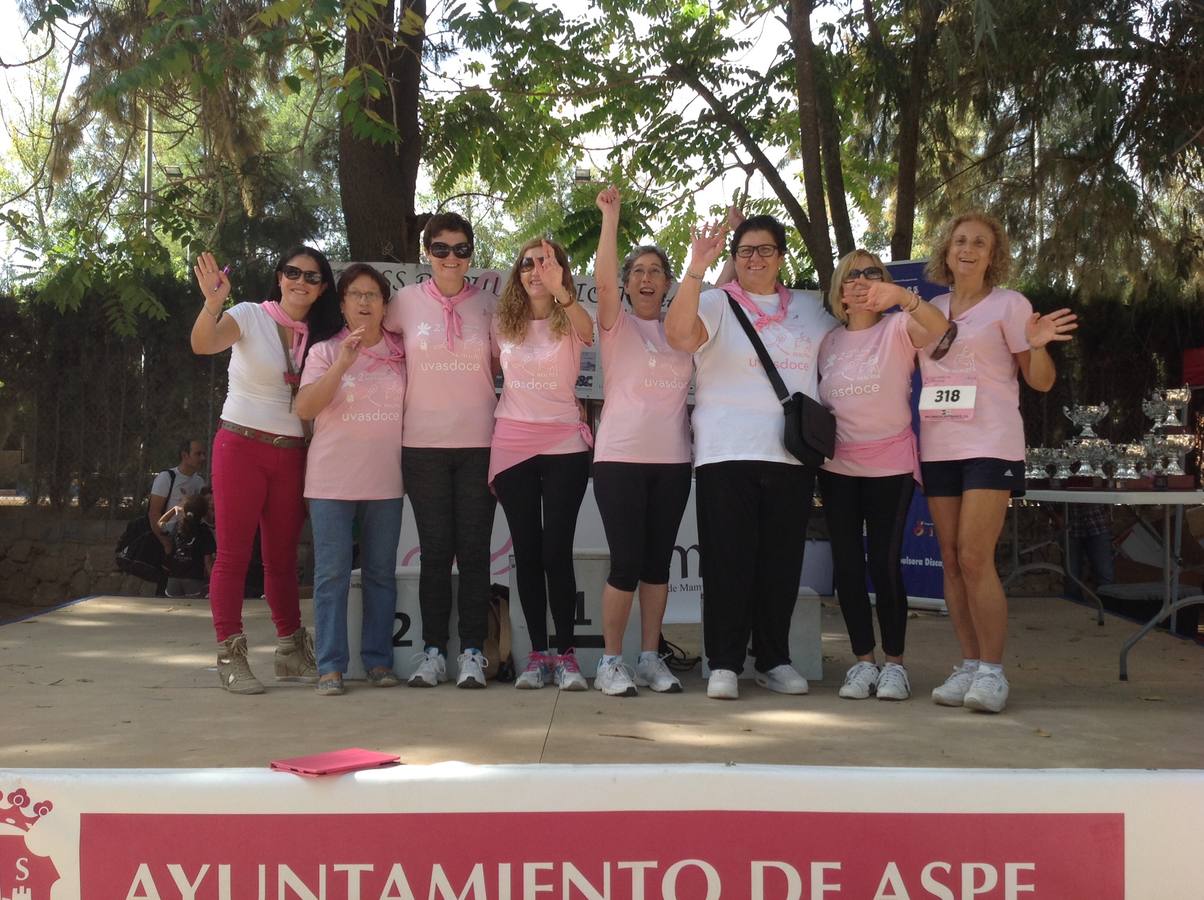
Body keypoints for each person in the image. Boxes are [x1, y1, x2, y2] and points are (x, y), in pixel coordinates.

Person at [665, 214, 837, 700]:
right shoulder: (716, 303)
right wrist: (696, 268)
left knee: (780, 564)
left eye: (765, 250)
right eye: (745, 251)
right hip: (726, 451)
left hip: (791, 454)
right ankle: (723, 660)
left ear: (781, 257)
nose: (755, 259)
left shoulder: (810, 310)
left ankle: (773, 659)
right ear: (734, 258)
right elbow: (679, 336)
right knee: (726, 561)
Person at [920, 212, 1077, 713]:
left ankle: (992, 672)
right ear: (946, 251)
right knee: (948, 558)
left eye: (979, 243)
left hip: (990, 442)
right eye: (960, 240)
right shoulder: (931, 308)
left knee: (972, 556)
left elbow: (1042, 382)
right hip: (938, 444)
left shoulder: (1010, 306)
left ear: (993, 254)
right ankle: (968, 665)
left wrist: (1036, 348)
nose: (967, 249)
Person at [190, 246, 342, 695]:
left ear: (323, 287)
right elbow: (203, 344)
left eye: (311, 277)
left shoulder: (323, 332)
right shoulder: (249, 314)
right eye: (292, 272)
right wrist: (212, 302)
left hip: (294, 451)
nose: (301, 282)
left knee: (281, 559)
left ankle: (291, 650)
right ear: (279, 277)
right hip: (241, 444)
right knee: (234, 556)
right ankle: (230, 656)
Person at [817, 250, 948, 702]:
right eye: (853, 275)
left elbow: (940, 330)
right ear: (840, 290)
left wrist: (903, 300)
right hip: (836, 469)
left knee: (884, 566)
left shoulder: (898, 328)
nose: (863, 280)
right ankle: (862, 663)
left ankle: (895, 665)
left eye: (873, 273)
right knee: (848, 567)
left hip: (890, 465)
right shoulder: (828, 341)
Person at [384, 213, 499, 689]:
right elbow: (377, 346)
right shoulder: (402, 303)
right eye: (441, 249)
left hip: (480, 444)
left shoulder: (491, 305)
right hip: (422, 445)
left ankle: (473, 652)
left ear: (472, 253)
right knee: (434, 554)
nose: (452, 258)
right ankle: (431, 652)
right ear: (427, 253)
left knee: (474, 554)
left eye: (461, 248)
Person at [590, 186, 693, 697]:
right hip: (619, 460)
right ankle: (612, 661)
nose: (646, 278)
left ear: (669, 283)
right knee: (626, 562)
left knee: (657, 565)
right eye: (638, 272)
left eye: (656, 271)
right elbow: (601, 280)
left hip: (673, 462)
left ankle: (651, 658)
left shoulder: (686, 331)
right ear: (628, 285)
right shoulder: (615, 324)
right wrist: (611, 219)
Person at [489, 238, 595, 691]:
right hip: (512, 441)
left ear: (560, 271)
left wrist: (562, 292)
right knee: (527, 553)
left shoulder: (569, 316)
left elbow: (590, 333)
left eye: (546, 263)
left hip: (565, 442)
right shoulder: (503, 323)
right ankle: (536, 655)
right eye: (527, 264)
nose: (535, 270)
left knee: (557, 552)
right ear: (517, 273)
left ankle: (566, 656)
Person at [296, 263, 406, 697]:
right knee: (332, 576)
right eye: (355, 295)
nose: (364, 302)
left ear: (384, 305)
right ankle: (330, 666)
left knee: (381, 573)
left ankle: (379, 661)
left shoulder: (402, 351)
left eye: (373, 295)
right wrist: (342, 364)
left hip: (385, 481)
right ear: (341, 305)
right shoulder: (325, 350)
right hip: (331, 482)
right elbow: (305, 408)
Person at [147, 439, 207, 596]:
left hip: (190, 545)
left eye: (204, 454)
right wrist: (165, 543)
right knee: (166, 588)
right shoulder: (166, 478)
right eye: (198, 454)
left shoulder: (199, 482)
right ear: (185, 456)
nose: (202, 458)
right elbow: (154, 513)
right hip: (169, 540)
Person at [160, 491, 216, 598]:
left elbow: (160, 524)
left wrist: (173, 510)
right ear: (204, 513)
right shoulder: (205, 531)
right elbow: (208, 561)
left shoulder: (177, 527)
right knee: (192, 607)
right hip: (193, 578)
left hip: (174, 577)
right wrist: (214, 582)